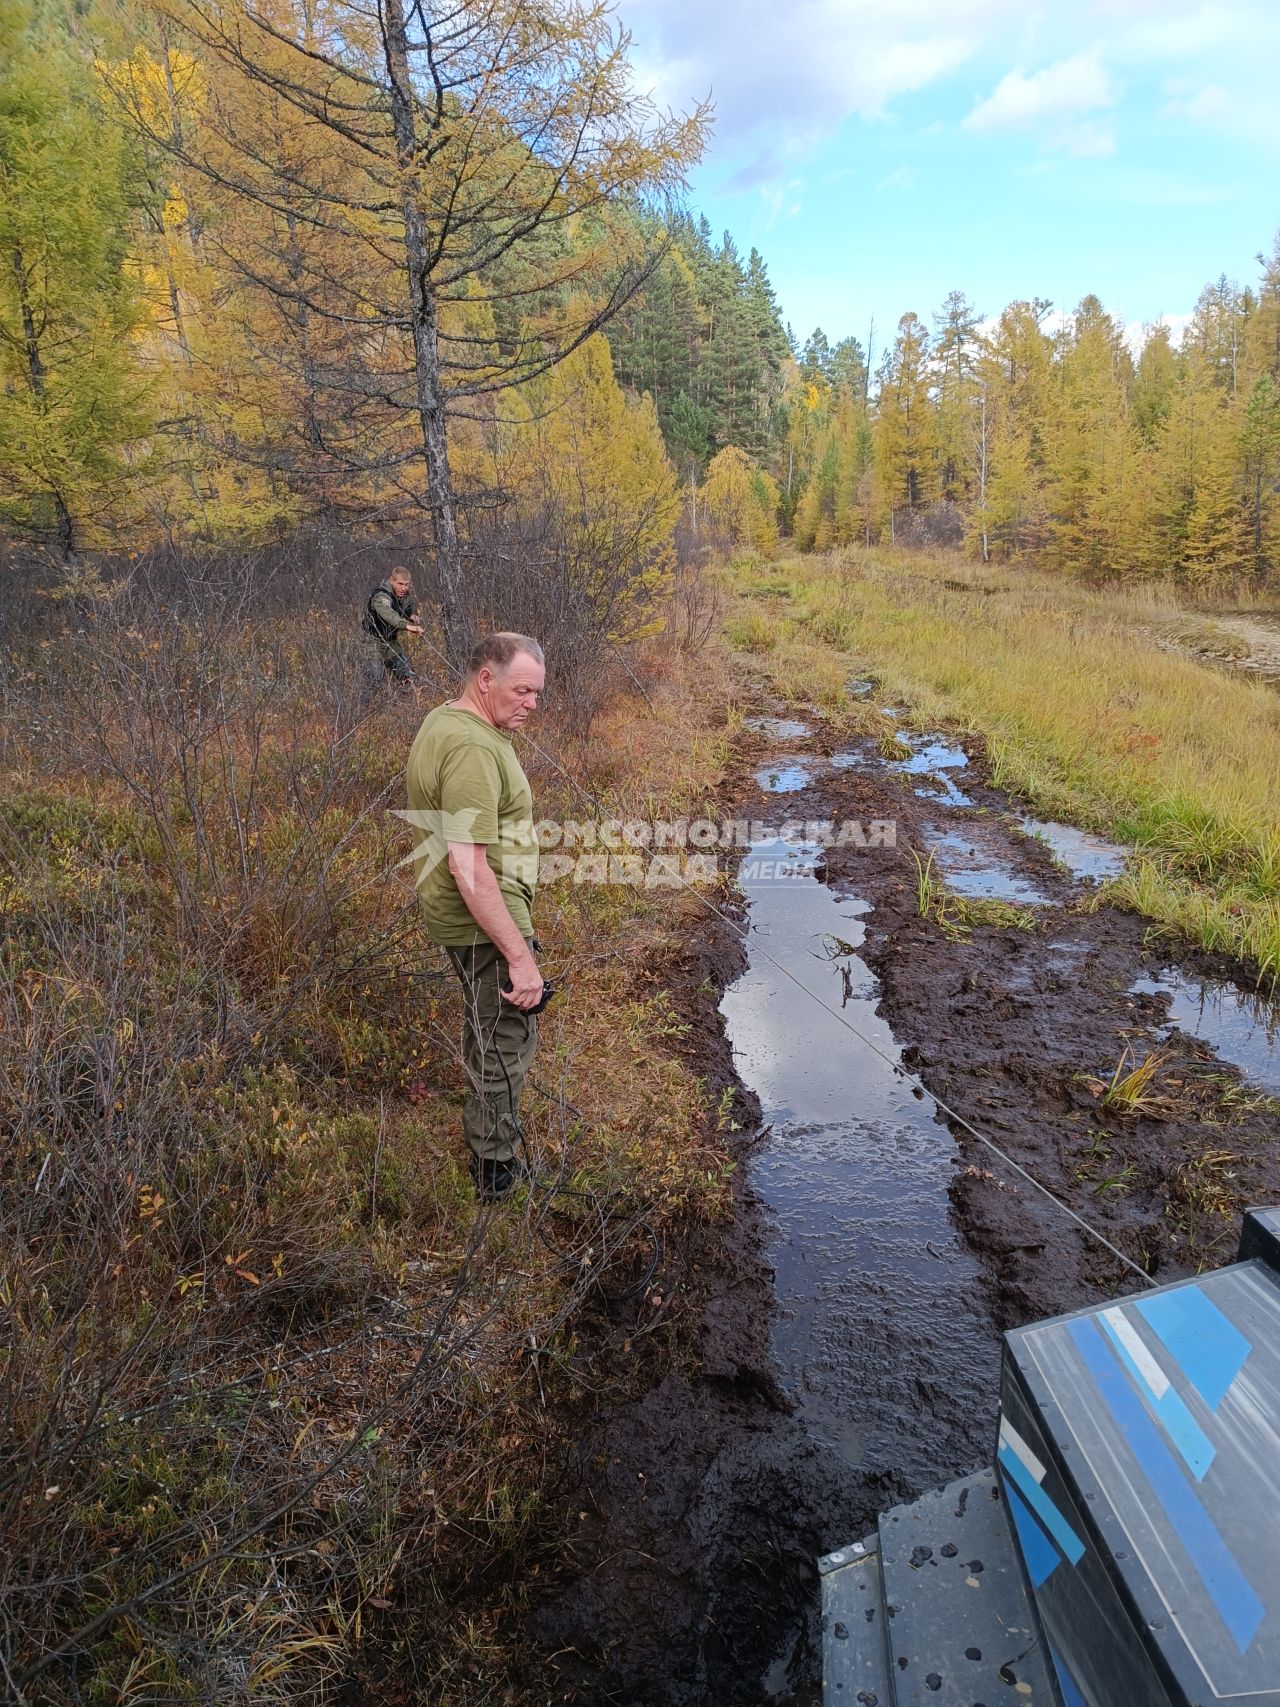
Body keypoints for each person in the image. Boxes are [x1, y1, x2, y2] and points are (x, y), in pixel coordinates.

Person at [406, 633, 546, 1200]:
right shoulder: (473, 751)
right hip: (484, 921)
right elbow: (470, 870)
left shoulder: (448, 721)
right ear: (485, 679)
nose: (531, 704)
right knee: (508, 1037)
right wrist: (520, 956)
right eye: (521, 690)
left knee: (488, 1024)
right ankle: (495, 1168)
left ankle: (491, 1140)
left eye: (537, 693)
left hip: (470, 917)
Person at [364, 566, 423, 681]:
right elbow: (390, 616)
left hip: (390, 641)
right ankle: (360, 699)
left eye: (406, 584)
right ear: (391, 580)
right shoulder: (381, 596)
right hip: (372, 641)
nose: (403, 588)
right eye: (400, 584)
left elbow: (405, 607)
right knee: (374, 678)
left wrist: (411, 615)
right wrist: (408, 626)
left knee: (406, 673)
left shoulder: (403, 594)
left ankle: (408, 697)